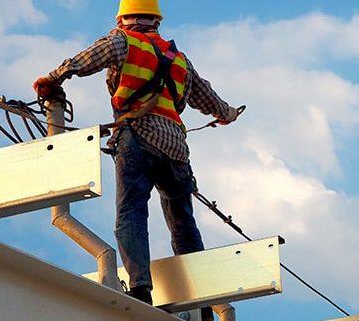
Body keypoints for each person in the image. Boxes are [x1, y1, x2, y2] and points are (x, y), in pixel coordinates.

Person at [33, 0, 239, 319]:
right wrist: (226, 114)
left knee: (131, 210)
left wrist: (54, 77)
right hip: (176, 147)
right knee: (183, 222)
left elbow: (86, 60)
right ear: (156, 20)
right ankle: (202, 304)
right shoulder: (179, 60)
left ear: (124, 18)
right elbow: (208, 98)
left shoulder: (122, 40)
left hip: (138, 134)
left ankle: (141, 287)